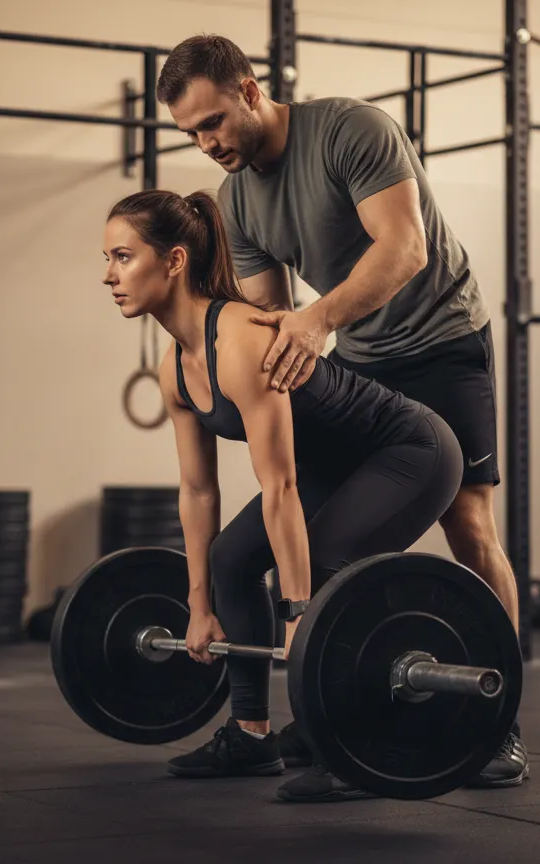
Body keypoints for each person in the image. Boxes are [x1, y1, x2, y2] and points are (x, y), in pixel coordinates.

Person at [154, 34, 529, 794]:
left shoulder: (350, 130)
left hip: (442, 342)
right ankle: (303, 718)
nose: (208, 144)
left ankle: (500, 722)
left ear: (250, 91)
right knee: (317, 540)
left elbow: (406, 249)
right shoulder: (238, 199)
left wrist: (320, 320)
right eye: (191, 134)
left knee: (468, 524)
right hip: (362, 359)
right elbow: (266, 318)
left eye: (214, 122)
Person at [102, 188, 464, 802]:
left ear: (174, 261)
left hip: (409, 451)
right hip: (336, 465)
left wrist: (299, 612)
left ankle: (350, 742)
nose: (109, 276)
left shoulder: (240, 340)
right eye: (108, 259)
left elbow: (280, 485)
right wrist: (198, 605)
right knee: (230, 559)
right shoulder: (176, 369)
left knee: (324, 565)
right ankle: (250, 735)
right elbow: (198, 491)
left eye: (122, 257)